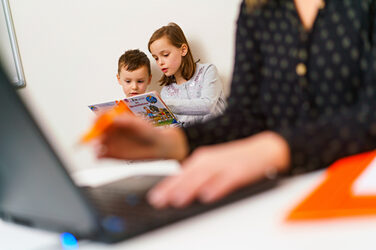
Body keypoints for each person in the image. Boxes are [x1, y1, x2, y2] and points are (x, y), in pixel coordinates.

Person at [94, 0, 376, 209]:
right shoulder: (257, 9)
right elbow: (245, 115)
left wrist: (269, 150)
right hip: (288, 195)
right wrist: (169, 143)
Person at [148, 22, 227, 126]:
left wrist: (164, 104)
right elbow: (174, 127)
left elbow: (208, 105)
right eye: (156, 58)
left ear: (183, 50)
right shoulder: (166, 92)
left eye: (165, 55)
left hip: (220, 138)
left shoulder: (208, 71)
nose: (160, 62)